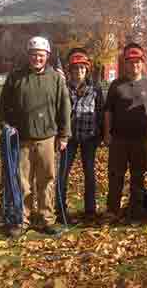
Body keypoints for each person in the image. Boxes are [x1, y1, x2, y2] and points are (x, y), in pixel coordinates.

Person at [0, 36, 71, 237]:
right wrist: (6, 127)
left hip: (48, 139)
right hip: (21, 140)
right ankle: (22, 220)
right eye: (33, 55)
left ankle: (47, 219)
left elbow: (64, 108)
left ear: (47, 56)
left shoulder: (56, 78)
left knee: (47, 180)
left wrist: (64, 135)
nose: (37, 58)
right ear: (28, 55)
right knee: (22, 182)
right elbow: (2, 108)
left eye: (41, 55)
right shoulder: (16, 77)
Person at [104, 43, 147, 222]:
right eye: (130, 62)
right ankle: (112, 210)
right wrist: (107, 133)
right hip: (119, 139)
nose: (134, 65)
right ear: (126, 64)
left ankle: (136, 210)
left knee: (138, 175)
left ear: (142, 64)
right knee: (115, 175)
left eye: (138, 62)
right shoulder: (116, 85)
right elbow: (108, 112)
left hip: (140, 139)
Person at [55, 48, 103, 224]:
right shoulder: (63, 88)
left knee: (89, 174)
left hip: (89, 137)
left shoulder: (95, 89)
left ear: (87, 70)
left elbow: (100, 111)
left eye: (82, 69)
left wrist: (101, 134)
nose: (79, 72)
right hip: (69, 138)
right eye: (75, 69)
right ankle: (60, 210)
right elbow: (58, 112)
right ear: (70, 71)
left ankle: (90, 210)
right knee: (62, 174)